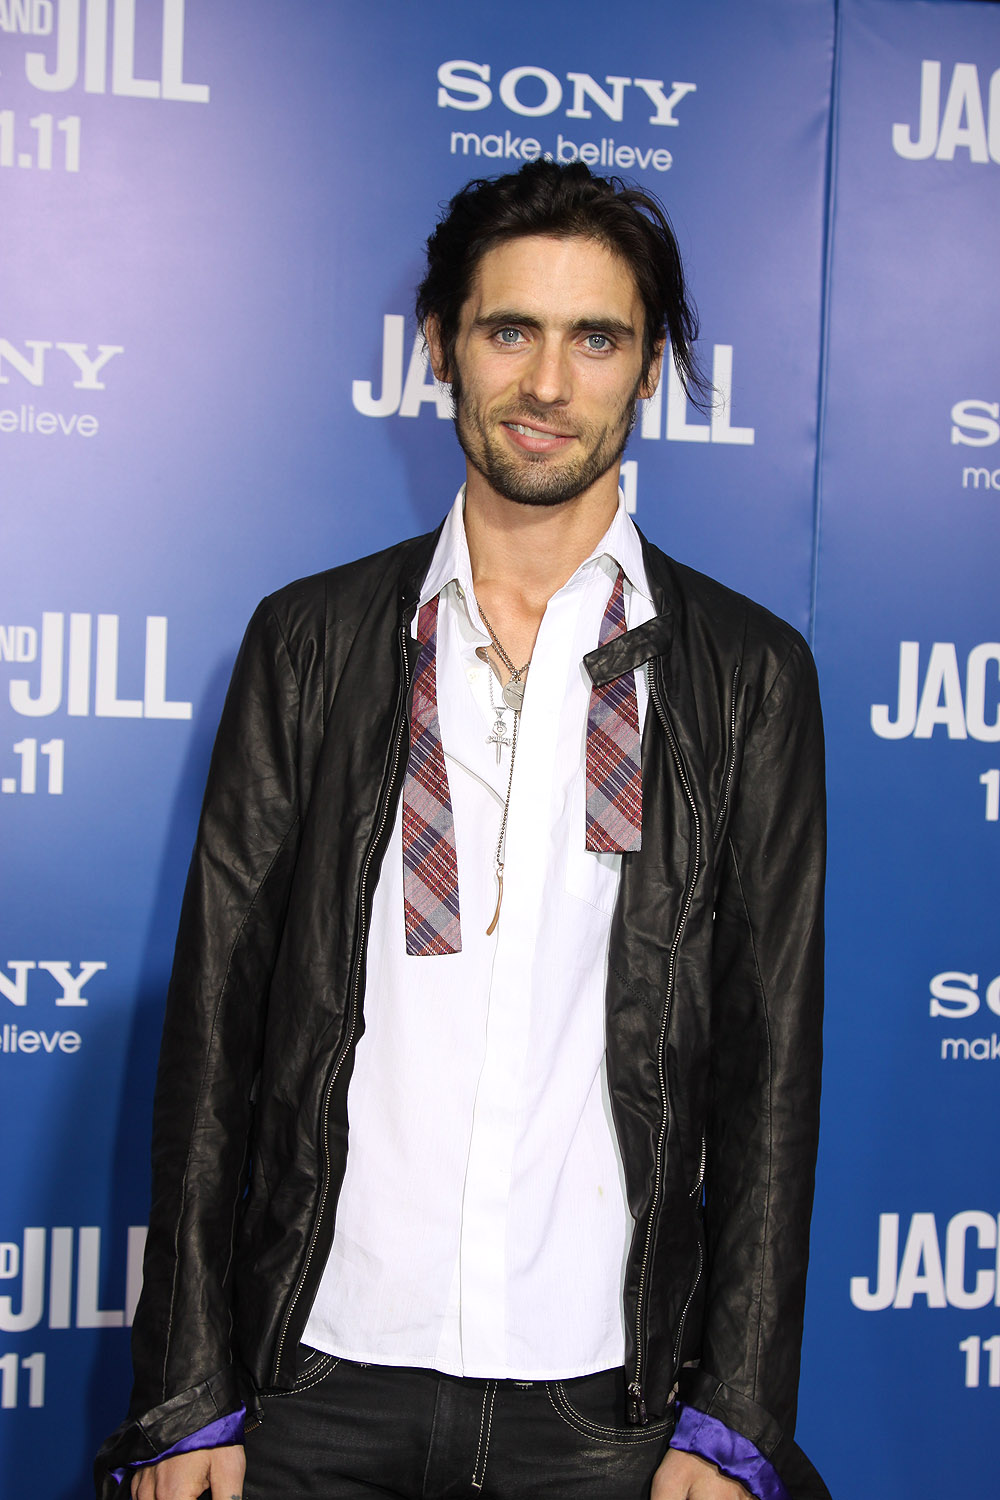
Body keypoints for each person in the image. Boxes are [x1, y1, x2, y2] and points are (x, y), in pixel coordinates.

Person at [96, 161, 828, 1500]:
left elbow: (771, 1070)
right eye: (510, 331)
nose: (547, 384)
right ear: (440, 345)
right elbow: (213, 1031)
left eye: (595, 338)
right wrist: (187, 1399)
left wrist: (734, 1420)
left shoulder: (747, 674)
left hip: (609, 1403)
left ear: (647, 367)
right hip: (318, 1382)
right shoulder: (310, 643)